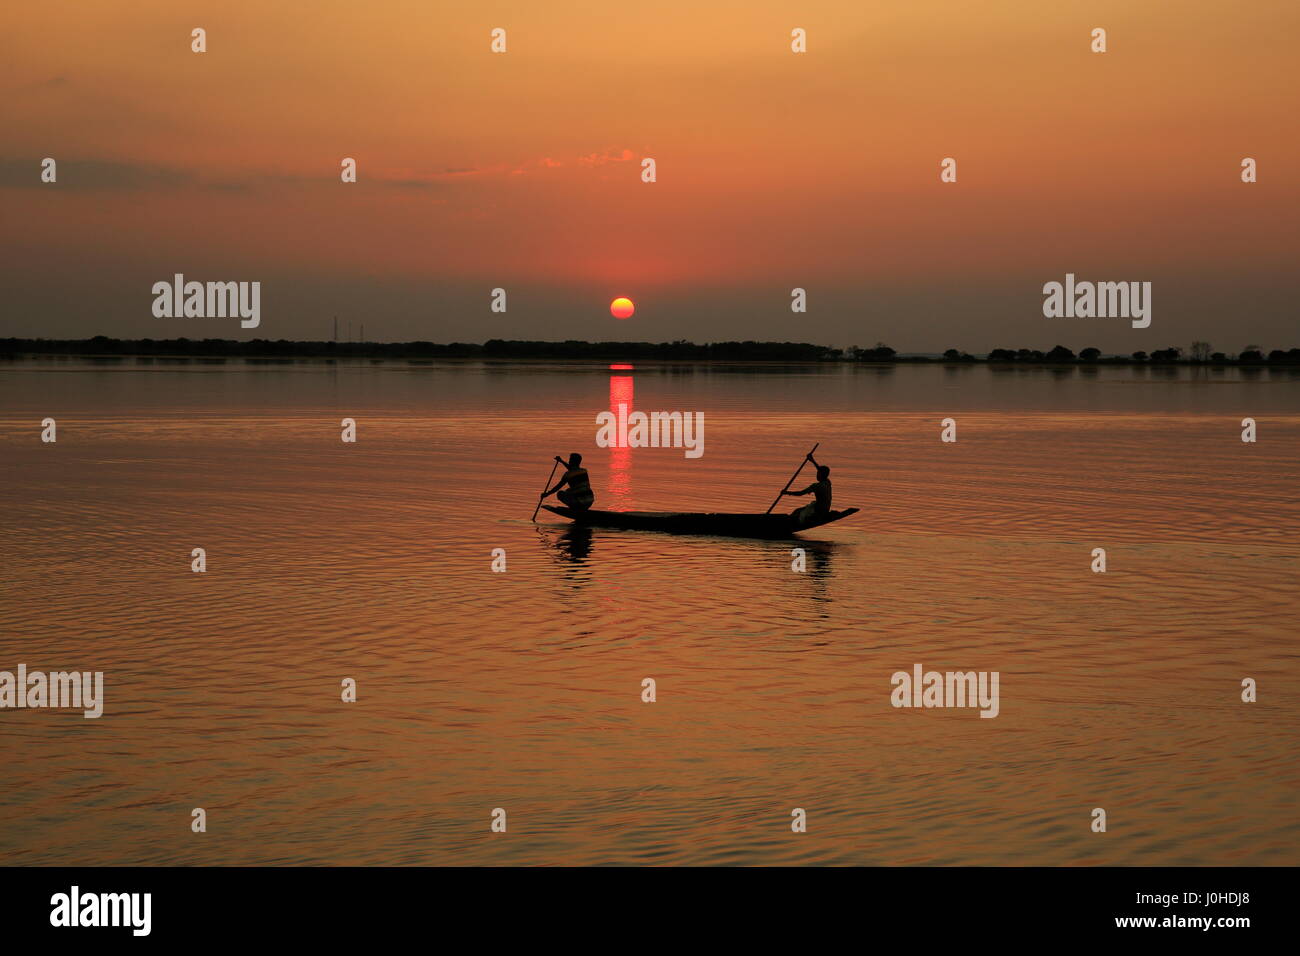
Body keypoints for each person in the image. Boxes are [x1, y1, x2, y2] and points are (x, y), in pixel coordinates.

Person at [781, 453, 831, 527]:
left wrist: (787, 492)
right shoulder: (827, 482)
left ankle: (790, 524)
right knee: (797, 511)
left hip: (818, 510)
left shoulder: (817, 486)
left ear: (821, 474)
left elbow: (801, 493)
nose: (817, 475)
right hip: (825, 508)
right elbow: (820, 471)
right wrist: (812, 461)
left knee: (797, 513)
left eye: (818, 473)